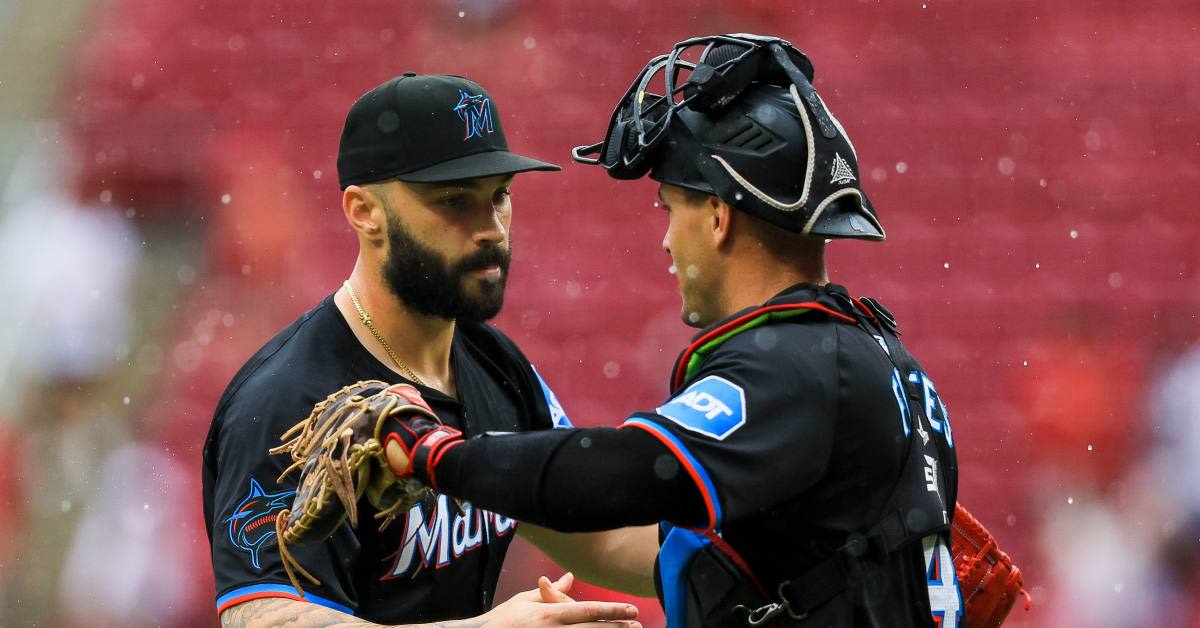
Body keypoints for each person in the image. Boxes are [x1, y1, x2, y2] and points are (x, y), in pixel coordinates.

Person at [363, 35, 964, 627]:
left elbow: (630, 471)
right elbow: (705, 552)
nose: (667, 241)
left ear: (719, 217)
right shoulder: (878, 355)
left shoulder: (797, 365)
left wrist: (437, 454)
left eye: (671, 210)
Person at [202, 73, 655, 627]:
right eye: (454, 200)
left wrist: (746, 556)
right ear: (364, 211)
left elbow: (598, 537)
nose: (491, 228)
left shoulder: (496, 365)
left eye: (500, 196)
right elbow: (264, 620)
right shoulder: (289, 400)